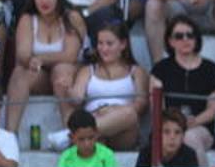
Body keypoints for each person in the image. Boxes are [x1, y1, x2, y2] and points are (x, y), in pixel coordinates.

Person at [4, 0, 80, 132]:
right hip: (41, 78)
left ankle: (70, 131)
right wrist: (30, 61)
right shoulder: (27, 19)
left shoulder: (71, 17)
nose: (44, 1)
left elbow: (70, 55)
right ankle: (10, 134)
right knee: (20, 72)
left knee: (62, 69)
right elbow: (23, 54)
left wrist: (40, 58)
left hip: (70, 77)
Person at [57, 19, 147, 150]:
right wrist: (68, 89)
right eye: (100, 43)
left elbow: (141, 105)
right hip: (94, 119)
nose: (104, 48)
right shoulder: (88, 70)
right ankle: (85, 135)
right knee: (97, 140)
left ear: (123, 44)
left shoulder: (136, 71)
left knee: (130, 114)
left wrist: (113, 111)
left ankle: (72, 135)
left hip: (123, 130)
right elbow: (77, 98)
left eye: (109, 44)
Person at [148, 13, 215, 165]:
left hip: (201, 127)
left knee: (190, 137)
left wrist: (193, 122)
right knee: (169, 137)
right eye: (179, 36)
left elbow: (213, 109)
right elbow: (156, 108)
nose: (186, 40)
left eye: (190, 35)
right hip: (168, 126)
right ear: (170, 41)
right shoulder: (160, 69)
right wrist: (176, 124)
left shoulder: (210, 68)